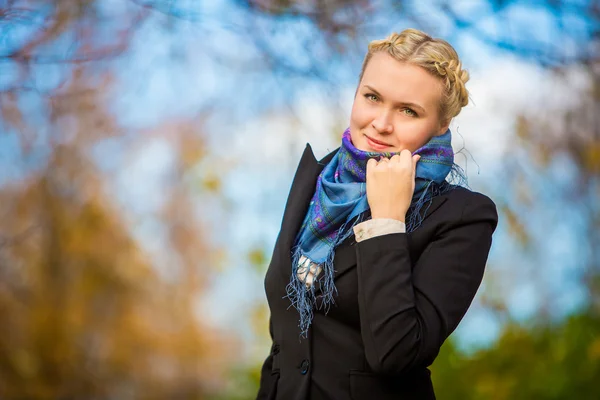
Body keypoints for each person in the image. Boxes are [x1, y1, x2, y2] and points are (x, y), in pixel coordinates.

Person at [256, 28, 498, 400]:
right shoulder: (318, 181)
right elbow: (283, 348)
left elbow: (396, 353)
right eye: (372, 97)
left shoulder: (461, 217)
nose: (382, 123)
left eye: (407, 110)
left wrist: (387, 221)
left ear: (441, 124)